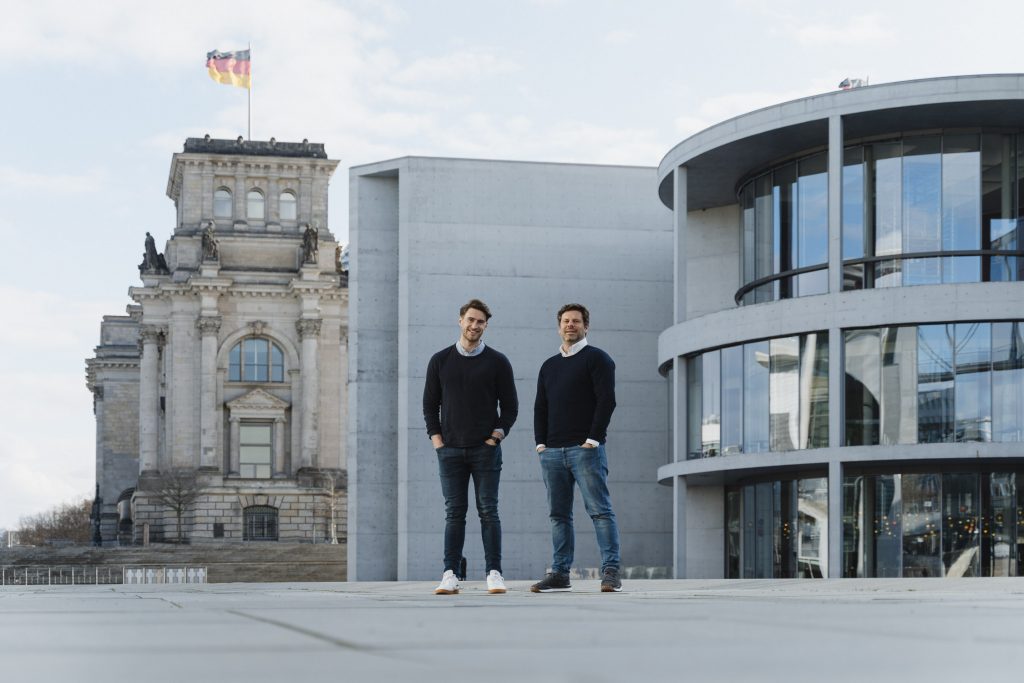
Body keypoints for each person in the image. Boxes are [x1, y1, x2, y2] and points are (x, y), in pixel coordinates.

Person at [423, 299, 518, 595]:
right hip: (450, 451)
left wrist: (495, 438)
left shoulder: (498, 361)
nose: (474, 325)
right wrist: (437, 441)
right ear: (460, 320)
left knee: (489, 511)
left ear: (486, 326)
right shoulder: (440, 360)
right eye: (471, 320)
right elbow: (429, 406)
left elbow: (511, 407)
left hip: (485, 450)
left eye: (481, 322)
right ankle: (449, 574)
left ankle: (494, 573)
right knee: (454, 513)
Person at [531, 303, 621, 593]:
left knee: (600, 511)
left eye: (576, 321)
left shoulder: (598, 359)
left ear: (586, 326)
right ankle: (559, 574)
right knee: (558, 515)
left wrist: (592, 439)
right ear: (559, 327)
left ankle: (611, 572)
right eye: (566, 321)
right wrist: (541, 443)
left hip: (586, 450)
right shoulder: (549, 366)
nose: (570, 325)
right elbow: (540, 406)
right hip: (553, 453)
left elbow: (607, 401)